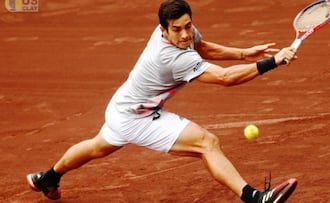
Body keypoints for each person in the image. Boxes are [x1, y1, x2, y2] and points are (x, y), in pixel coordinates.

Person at [27, 0, 298, 202]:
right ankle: (254, 197)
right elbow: (225, 78)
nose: (184, 35)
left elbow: (202, 47)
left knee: (98, 146)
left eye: (188, 26)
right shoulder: (172, 57)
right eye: (177, 30)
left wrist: (243, 53)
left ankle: (48, 177)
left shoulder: (182, 34)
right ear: (163, 30)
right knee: (207, 142)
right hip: (137, 116)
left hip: (121, 106)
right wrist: (272, 61)